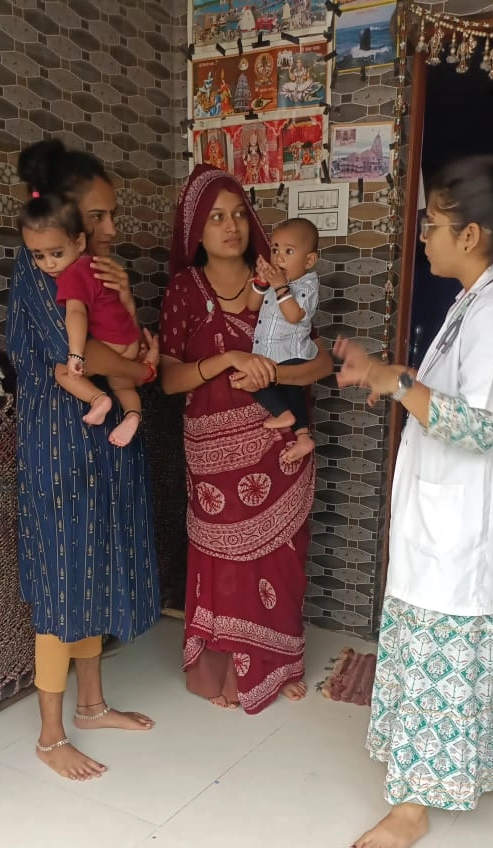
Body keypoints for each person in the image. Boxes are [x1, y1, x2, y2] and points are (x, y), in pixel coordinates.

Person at [335, 155, 493, 848]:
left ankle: (412, 808)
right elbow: (454, 400)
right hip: (459, 522)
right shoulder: (478, 301)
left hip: (470, 534)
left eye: (432, 224)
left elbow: (475, 426)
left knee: (446, 653)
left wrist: (395, 382)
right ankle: (471, 767)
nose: (423, 236)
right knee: (450, 650)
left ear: (471, 235)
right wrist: (395, 378)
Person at [7, 138, 161, 781]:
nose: (111, 229)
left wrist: (129, 311)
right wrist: (141, 370)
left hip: (100, 441)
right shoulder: (37, 273)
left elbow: (128, 341)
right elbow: (88, 358)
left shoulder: (93, 271)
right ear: (66, 215)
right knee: (61, 581)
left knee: (92, 568)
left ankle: (93, 705)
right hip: (58, 446)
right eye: (99, 216)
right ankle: (50, 737)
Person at [159, 164, 333, 713]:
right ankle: (225, 669)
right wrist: (226, 360)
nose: (230, 226)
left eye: (238, 214)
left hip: (280, 445)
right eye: (215, 217)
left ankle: (278, 663)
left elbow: (320, 361)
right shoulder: (185, 291)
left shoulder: (280, 275)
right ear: (195, 230)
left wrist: (274, 372)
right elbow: (169, 379)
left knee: (280, 558)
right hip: (213, 454)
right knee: (224, 561)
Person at [18, 192, 147, 448]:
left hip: (108, 344)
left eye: (56, 253)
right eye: (38, 256)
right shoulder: (94, 264)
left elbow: (76, 314)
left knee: (62, 372)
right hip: (129, 341)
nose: (49, 264)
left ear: (79, 242)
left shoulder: (73, 275)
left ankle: (98, 399)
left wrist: (76, 354)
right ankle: (133, 416)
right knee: (123, 386)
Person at [246, 217, 319, 463]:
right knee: (291, 392)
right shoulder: (275, 281)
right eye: (275, 249)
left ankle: (282, 413)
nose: (278, 258)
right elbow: (251, 305)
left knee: (255, 382)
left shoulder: (307, 285)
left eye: (288, 251)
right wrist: (261, 282)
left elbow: (294, 315)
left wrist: (280, 287)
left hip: (291, 352)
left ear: (308, 260)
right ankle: (303, 436)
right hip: (271, 353)